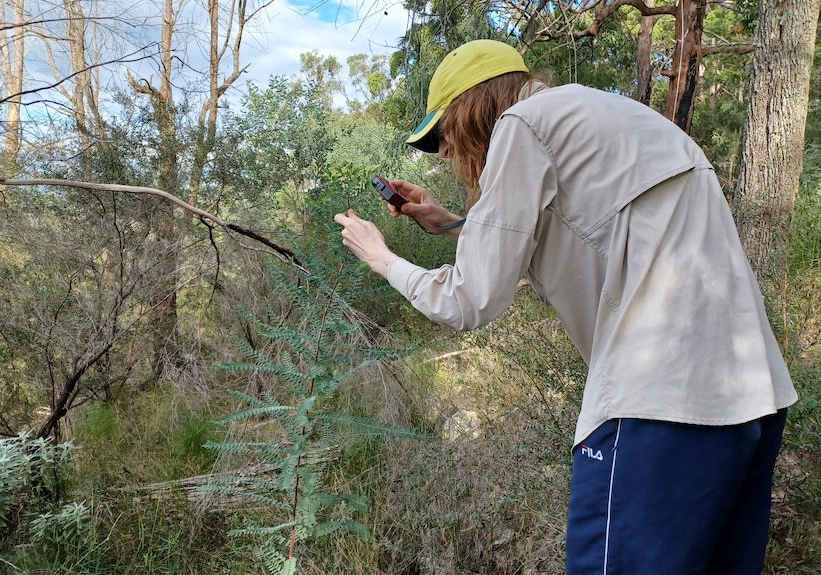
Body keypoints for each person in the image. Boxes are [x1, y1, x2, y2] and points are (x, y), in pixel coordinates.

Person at [334, 39, 798, 574]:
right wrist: (455, 223)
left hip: (656, 407)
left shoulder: (521, 125)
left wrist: (382, 258)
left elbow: (468, 300)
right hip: (752, 400)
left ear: (475, 107)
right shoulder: (613, 116)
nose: (444, 152)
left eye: (443, 134)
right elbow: (588, 226)